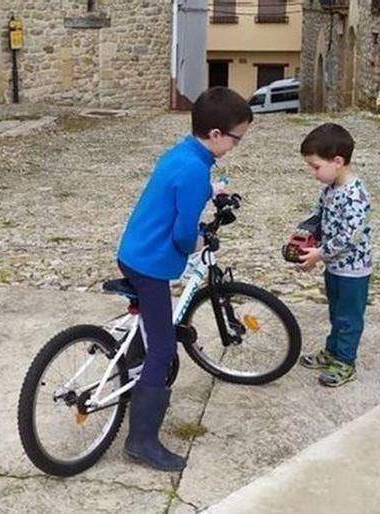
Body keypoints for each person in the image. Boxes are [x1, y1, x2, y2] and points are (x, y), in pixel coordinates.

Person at [116, 86, 252, 471]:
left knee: (151, 327)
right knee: (164, 349)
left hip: (132, 251)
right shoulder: (195, 170)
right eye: (236, 139)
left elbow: (179, 188)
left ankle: (132, 369)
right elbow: (181, 237)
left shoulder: (182, 154)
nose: (236, 145)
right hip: (151, 264)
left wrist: (210, 190)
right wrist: (202, 240)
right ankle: (141, 441)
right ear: (216, 134)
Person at [293, 123, 374, 388]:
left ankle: (345, 362)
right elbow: (318, 217)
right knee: (336, 312)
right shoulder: (330, 190)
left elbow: (351, 236)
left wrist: (319, 253)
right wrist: (304, 238)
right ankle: (333, 351)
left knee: (349, 318)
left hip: (353, 270)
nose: (313, 173)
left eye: (316, 166)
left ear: (337, 161)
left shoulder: (355, 195)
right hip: (334, 266)